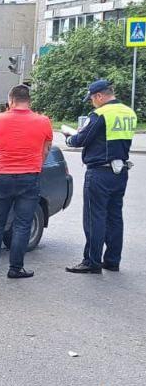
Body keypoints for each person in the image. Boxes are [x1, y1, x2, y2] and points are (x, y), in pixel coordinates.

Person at [64, 79, 136, 274]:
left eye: (92, 99)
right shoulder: (129, 112)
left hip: (99, 173)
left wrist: (69, 137)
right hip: (120, 172)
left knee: (94, 217)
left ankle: (91, 261)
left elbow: (81, 139)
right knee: (115, 217)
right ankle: (112, 260)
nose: (91, 103)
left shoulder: (100, 114)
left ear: (99, 96)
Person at [0, 84, 53, 279]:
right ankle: (15, 268)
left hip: (2, 176)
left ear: (11, 100)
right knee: (22, 224)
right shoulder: (43, 121)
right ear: (29, 100)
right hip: (29, 175)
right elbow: (46, 149)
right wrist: (36, 165)